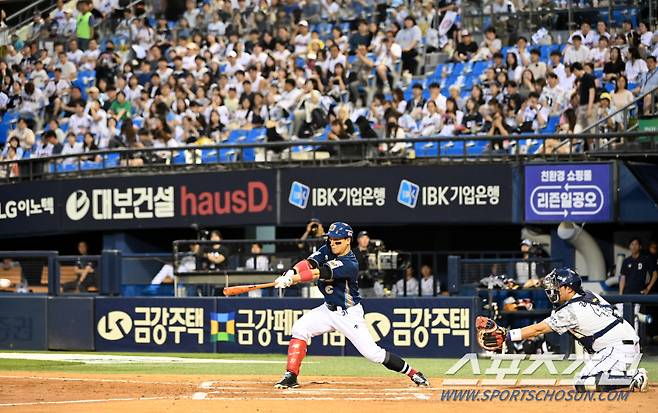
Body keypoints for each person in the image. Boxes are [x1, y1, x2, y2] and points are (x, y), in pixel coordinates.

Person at [272, 222, 429, 388]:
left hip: (348, 314)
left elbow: (319, 272)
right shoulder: (328, 247)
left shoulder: (350, 263)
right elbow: (309, 263)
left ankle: (414, 373)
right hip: (328, 309)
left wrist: (292, 280)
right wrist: (291, 271)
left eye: (337, 241)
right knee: (299, 328)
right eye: (331, 239)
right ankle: (291, 375)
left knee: (373, 354)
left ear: (348, 240)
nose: (333, 243)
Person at [476, 268, 648, 392]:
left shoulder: (570, 311)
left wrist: (507, 335)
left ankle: (632, 376)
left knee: (584, 382)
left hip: (617, 348)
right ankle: (622, 373)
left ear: (569, 288)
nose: (553, 289)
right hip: (623, 344)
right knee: (587, 380)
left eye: (558, 285)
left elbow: (538, 329)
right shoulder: (590, 294)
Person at [352, 230, 376, 298]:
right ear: (358, 240)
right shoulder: (353, 252)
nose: (365, 240)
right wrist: (361, 273)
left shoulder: (372, 252)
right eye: (362, 238)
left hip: (370, 285)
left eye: (367, 238)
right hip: (357, 285)